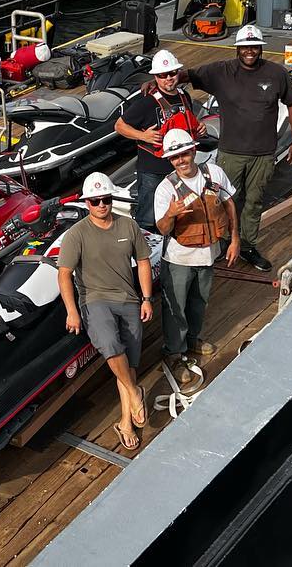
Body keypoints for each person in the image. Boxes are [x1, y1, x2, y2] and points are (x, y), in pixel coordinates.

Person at [183, 24, 292, 272]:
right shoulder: (220, 71)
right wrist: (160, 81)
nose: (249, 51)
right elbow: (188, 75)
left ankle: (247, 246)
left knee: (255, 202)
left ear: (260, 48)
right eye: (245, 47)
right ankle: (222, 242)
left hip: (263, 154)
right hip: (230, 153)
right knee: (225, 200)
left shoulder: (277, 73)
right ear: (237, 48)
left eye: (254, 47)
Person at [58, 172, 154, 450]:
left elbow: (144, 261)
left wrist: (146, 298)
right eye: (95, 201)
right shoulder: (76, 234)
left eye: (106, 199)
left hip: (128, 298)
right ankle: (136, 395)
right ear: (87, 204)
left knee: (129, 361)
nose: (101, 204)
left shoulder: (128, 226)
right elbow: (64, 275)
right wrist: (72, 311)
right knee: (112, 346)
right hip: (94, 300)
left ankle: (126, 420)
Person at [153, 129, 237, 385]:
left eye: (185, 154)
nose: (181, 160)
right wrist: (172, 213)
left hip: (209, 255)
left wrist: (235, 239)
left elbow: (229, 203)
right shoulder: (165, 189)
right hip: (179, 259)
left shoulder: (214, 173)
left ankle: (192, 341)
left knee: (199, 302)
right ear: (170, 160)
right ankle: (174, 354)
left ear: (193, 151)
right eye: (175, 157)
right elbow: (163, 229)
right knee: (175, 308)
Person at [114, 49, 203, 231]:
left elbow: (187, 121)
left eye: (172, 73)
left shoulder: (184, 97)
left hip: (180, 168)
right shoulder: (146, 102)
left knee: (178, 210)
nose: (168, 78)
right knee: (147, 216)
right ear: (156, 77)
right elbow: (119, 126)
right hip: (152, 171)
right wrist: (142, 135)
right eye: (163, 75)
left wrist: (198, 128)